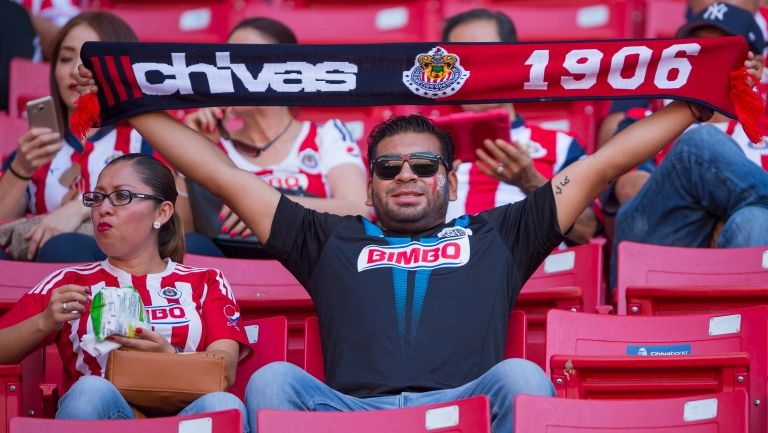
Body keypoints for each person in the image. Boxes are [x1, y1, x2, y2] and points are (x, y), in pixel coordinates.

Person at [78, 48, 760, 433]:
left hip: (466, 400)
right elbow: (213, 170)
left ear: (449, 177)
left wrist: (693, 102)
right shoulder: (325, 234)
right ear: (369, 182)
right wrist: (129, 101)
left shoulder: (501, 230)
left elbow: (604, 166)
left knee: (521, 377)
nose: (406, 176)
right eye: (389, 167)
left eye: (423, 165)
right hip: (346, 414)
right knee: (277, 379)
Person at [0, 153, 251, 430]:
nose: (102, 209)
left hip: (186, 419)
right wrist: (44, 322)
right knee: (91, 390)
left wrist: (171, 357)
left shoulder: (206, 281)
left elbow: (225, 368)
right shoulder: (68, 282)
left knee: (223, 406)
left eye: (121, 197)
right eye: (97, 198)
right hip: (108, 418)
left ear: (162, 213)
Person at [607, 3, 768, 288]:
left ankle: (738, 325)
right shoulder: (651, 116)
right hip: (658, 251)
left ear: (752, 62)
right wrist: (714, 220)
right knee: (699, 142)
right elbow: (629, 189)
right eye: (698, 46)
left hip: (741, 262)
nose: (706, 56)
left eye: (721, 49)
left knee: (754, 221)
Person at [180, 17, 369, 247]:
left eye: (246, 61)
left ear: (286, 70)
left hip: (309, 263)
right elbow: (182, 238)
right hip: (233, 265)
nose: (233, 72)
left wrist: (268, 206)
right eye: (227, 62)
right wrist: (194, 151)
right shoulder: (213, 143)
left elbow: (359, 211)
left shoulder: (327, 135)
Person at [0, 12, 154, 262]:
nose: (73, 71)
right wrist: (21, 169)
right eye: (65, 58)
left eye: (87, 60)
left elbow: (161, 213)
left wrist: (80, 207)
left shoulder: (143, 139)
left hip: (116, 272)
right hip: (39, 278)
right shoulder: (37, 146)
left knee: (62, 249)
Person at [442, 9, 598, 245]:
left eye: (486, 55)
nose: (473, 69)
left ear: (515, 61)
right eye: (461, 59)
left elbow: (587, 230)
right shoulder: (426, 147)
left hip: (536, 279)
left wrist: (532, 183)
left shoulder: (561, 145)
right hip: (442, 276)